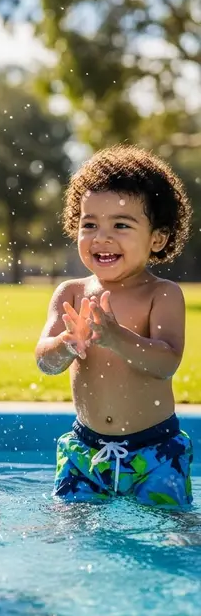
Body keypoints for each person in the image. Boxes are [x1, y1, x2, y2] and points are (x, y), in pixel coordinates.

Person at [35, 145, 193, 508]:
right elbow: (44, 361)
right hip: (84, 450)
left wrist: (116, 337)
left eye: (121, 225)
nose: (101, 237)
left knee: (170, 531)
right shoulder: (71, 293)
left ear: (158, 238)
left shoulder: (162, 294)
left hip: (154, 451)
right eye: (89, 224)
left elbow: (167, 362)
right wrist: (65, 344)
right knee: (66, 530)